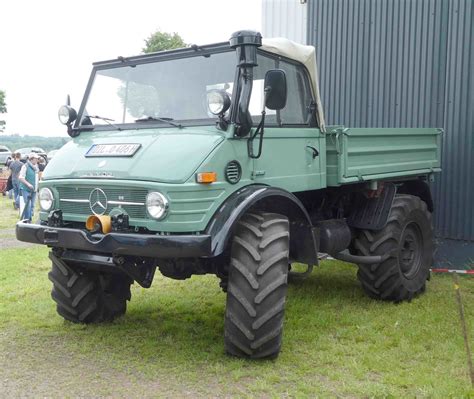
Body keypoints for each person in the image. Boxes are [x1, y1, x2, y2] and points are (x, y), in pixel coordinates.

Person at [18, 152, 39, 222]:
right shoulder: (25, 166)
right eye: (36, 159)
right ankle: (28, 221)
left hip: (34, 189)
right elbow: (21, 178)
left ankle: (28, 219)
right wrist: (28, 184)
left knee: (32, 206)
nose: (37, 160)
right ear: (31, 159)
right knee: (28, 205)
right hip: (26, 189)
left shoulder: (36, 167)